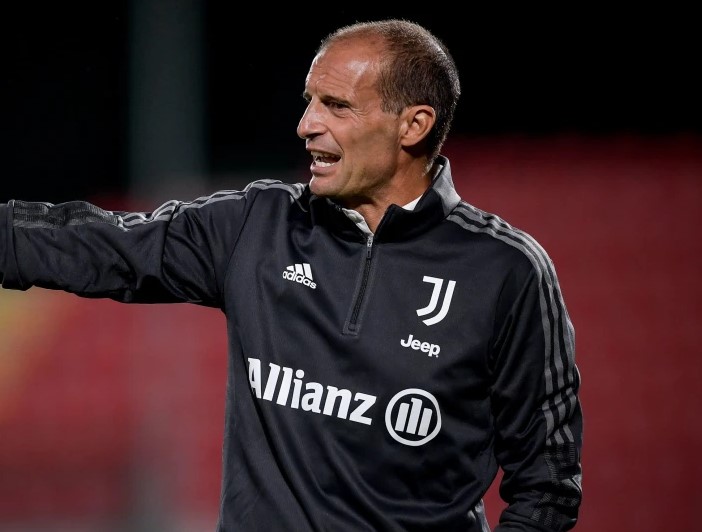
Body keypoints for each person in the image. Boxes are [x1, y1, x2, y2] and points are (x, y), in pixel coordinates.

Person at [0, 19, 582, 531]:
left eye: (337, 105)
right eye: (309, 102)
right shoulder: (257, 227)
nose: (306, 124)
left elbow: (547, 485)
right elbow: (101, 244)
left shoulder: (505, 271)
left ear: (413, 125)